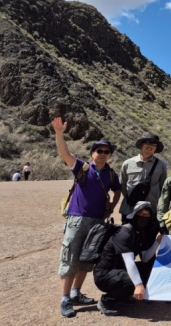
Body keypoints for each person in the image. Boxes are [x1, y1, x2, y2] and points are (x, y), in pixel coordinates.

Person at [52, 117, 121, 318]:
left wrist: (111, 208)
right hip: (77, 219)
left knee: (86, 259)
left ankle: (75, 293)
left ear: (109, 155)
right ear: (92, 153)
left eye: (106, 152)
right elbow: (64, 153)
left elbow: (117, 191)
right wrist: (59, 134)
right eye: (99, 151)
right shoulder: (82, 167)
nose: (102, 154)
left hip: (98, 221)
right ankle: (65, 298)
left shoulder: (111, 174)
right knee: (70, 258)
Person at [93, 201, 161, 316]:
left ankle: (122, 296)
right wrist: (138, 285)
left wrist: (157, 242)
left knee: (148, 267)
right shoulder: (125, 232)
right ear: (134, 215)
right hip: (104, 274)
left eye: (147, 216)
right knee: (132, 281)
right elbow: (129, 261)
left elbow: (145, 258)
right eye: (141, 214)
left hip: (119, 271)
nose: (144, 218)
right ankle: (107, 300)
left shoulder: (140, 233)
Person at [119, 134, 168, 224]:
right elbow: (122, 185)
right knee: (127, 236)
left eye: (154, 144)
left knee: (147, 238)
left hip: (149, 212)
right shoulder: (127, 163)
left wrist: (152, 198)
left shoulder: (161, 165)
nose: (150, 146)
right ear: (142, 144)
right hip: (129, 209)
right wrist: (132, 198)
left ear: (156, 148)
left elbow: (163, 187)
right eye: (148, 142)